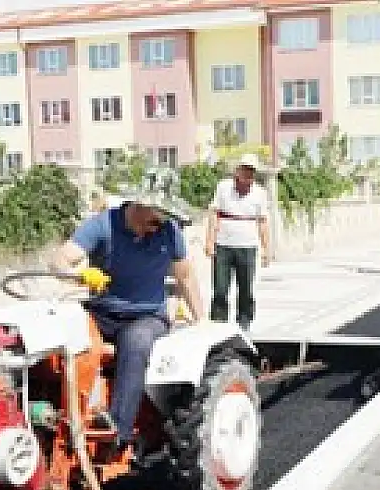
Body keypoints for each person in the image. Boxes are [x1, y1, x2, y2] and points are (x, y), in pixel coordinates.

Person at [51, 184, 205, 457]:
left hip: (147, 315)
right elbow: (60, 259)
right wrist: (79, 275)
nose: (157, 228)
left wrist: (201, 322)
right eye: (154, 221)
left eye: (163, 222)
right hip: (102, 312)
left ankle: (117, 432)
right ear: (139, 206)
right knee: (63, 337)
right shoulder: (102, 226)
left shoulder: (169, 233)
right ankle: (58, 421)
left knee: (137, 341)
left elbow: (185, 277)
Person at [204, 153, 271, 331]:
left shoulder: (260, 193)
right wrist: (210, 241)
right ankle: (218, 325)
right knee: (220, 288)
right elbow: (214, 213)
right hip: (223, 244)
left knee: (246, 289)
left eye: (251, 171)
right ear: (237, 171)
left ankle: (244, 324)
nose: (248, 175)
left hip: (248, 245)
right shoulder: (223, 187)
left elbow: (263, 221)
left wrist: (266, 248)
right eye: (245, 170)